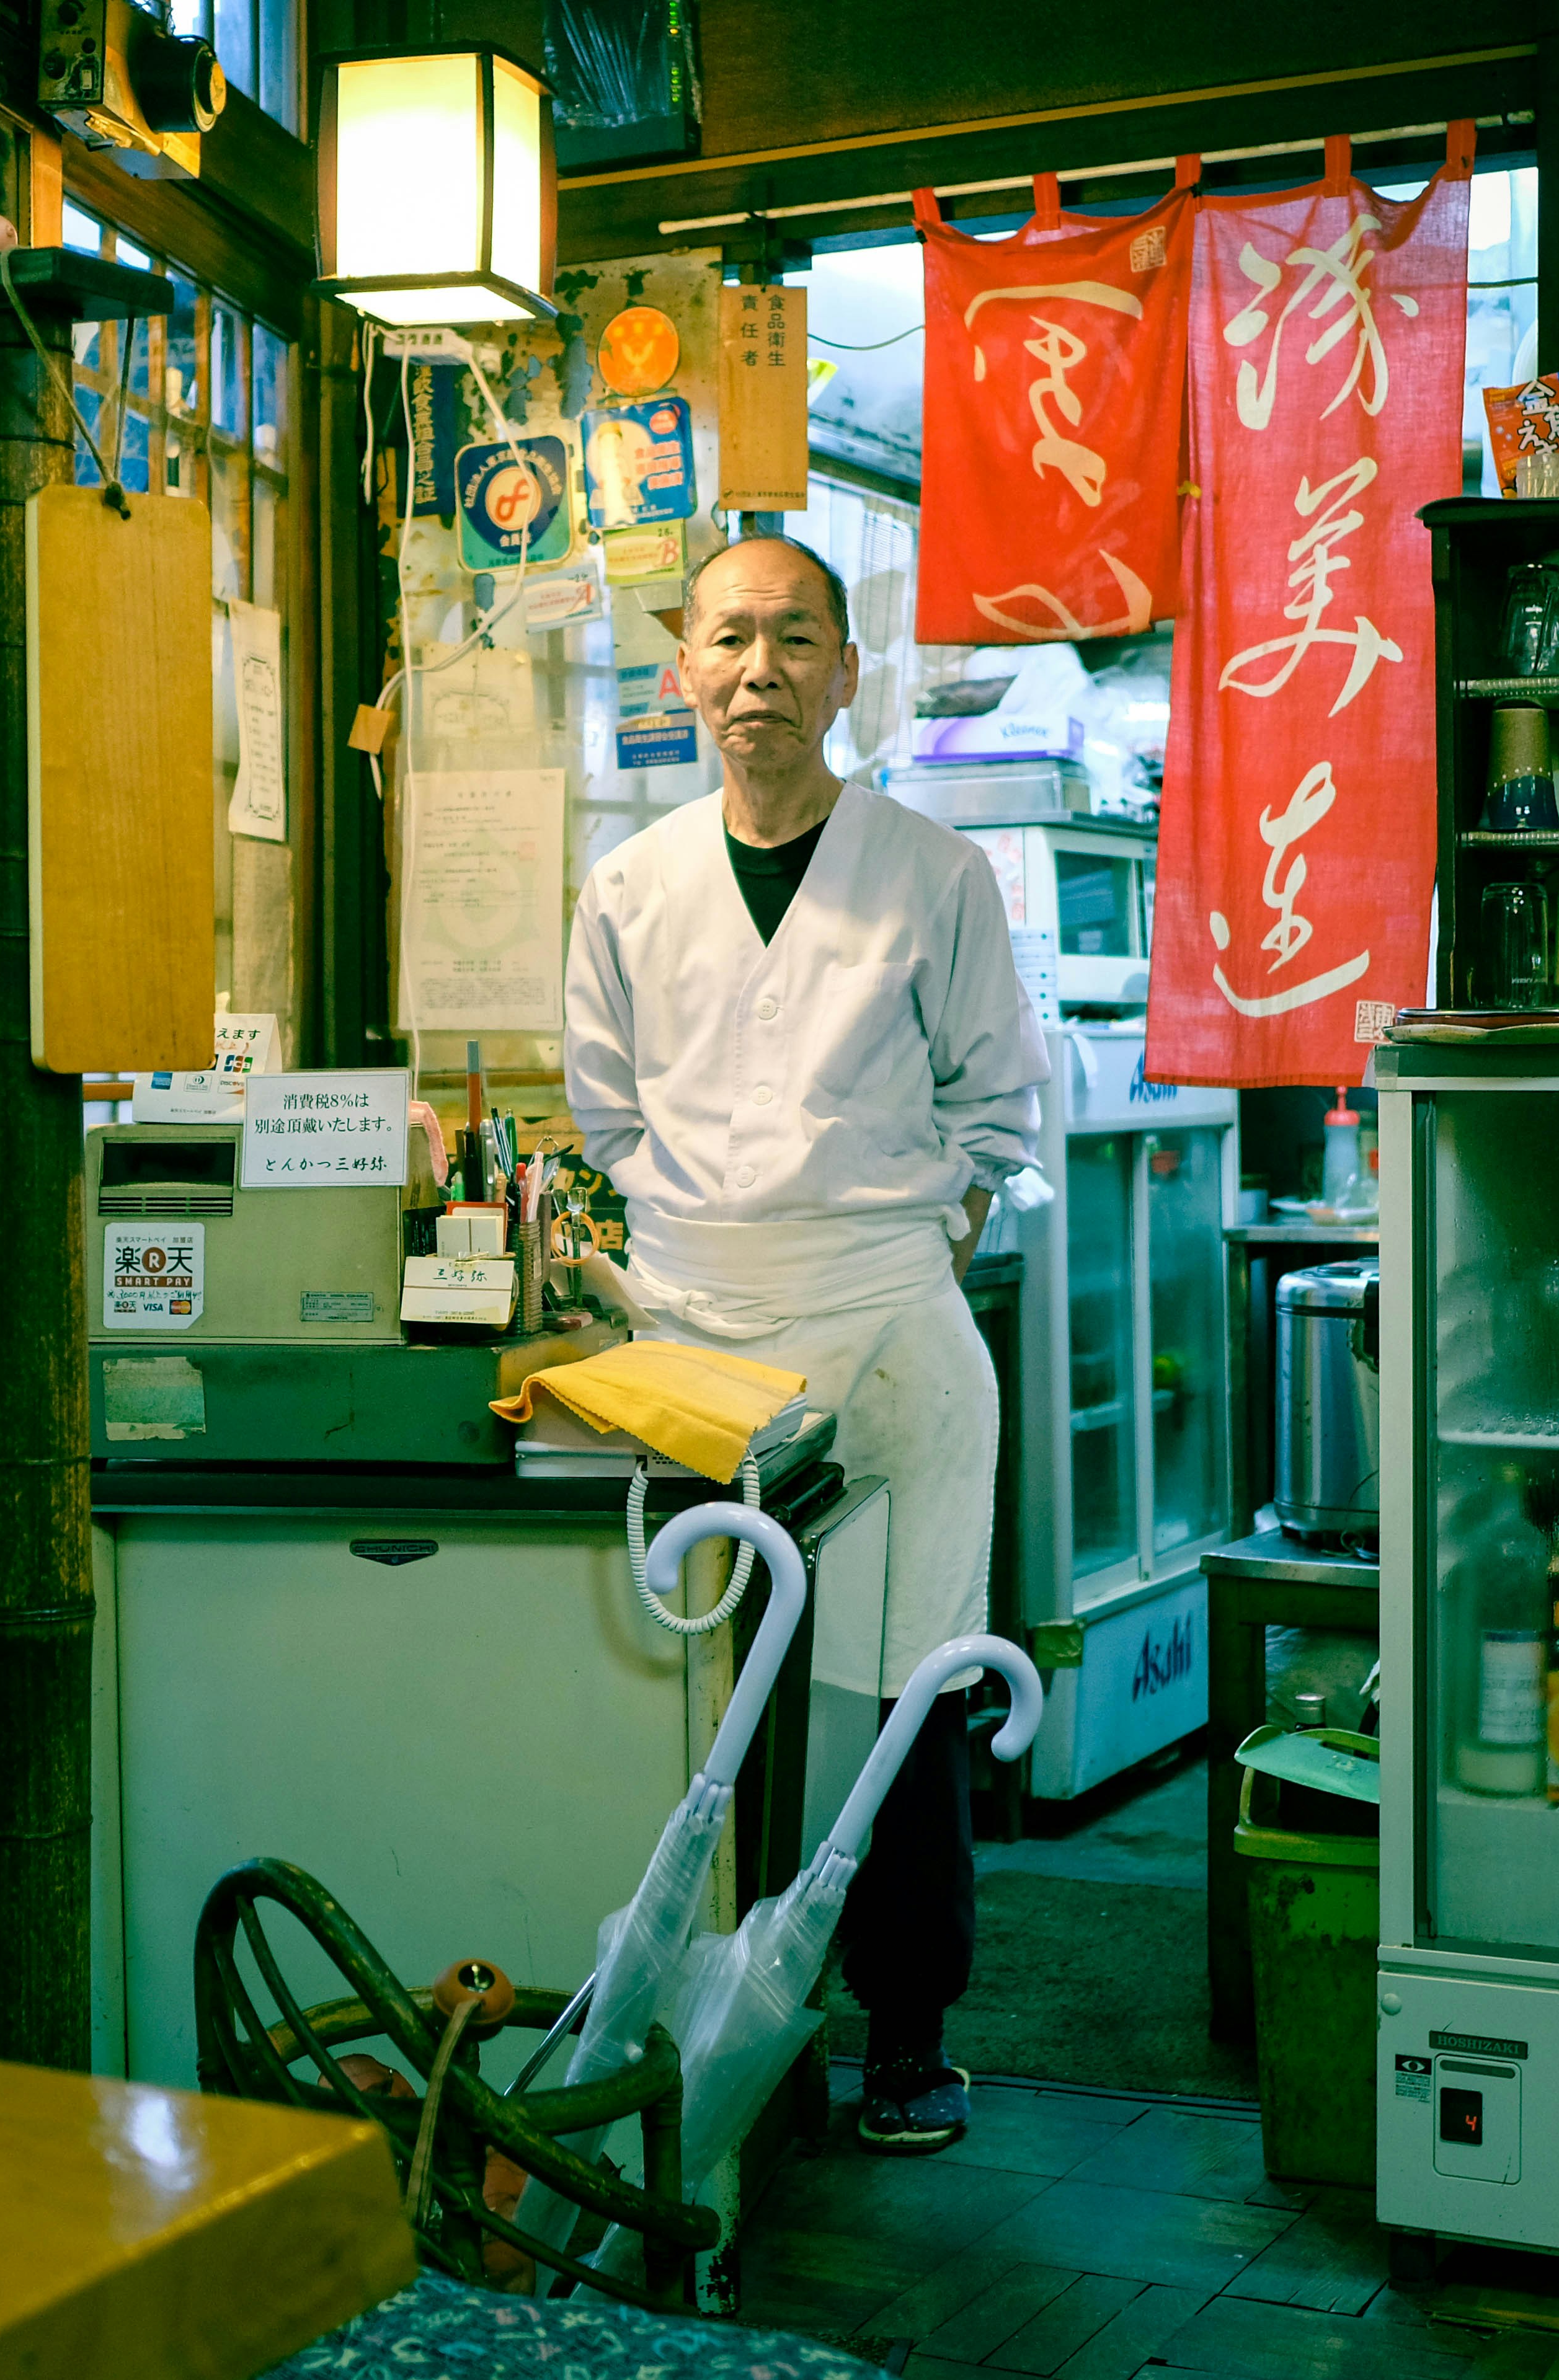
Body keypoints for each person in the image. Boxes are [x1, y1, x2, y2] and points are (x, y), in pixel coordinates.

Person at [562, 534, 1046, 2154]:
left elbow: (995, 1108)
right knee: (709, 1696)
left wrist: (921, 1238)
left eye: (794, 640)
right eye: (727, 639)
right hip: (694, 1329)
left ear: (848, 671)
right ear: (683, 667)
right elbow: (605, 1114)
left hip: (890, 1326)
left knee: (902, 1696)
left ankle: (905, 2038)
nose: (758, 669)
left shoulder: (934, 873)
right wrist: (693, 1258)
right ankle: (703, 2026)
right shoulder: (628, 884)